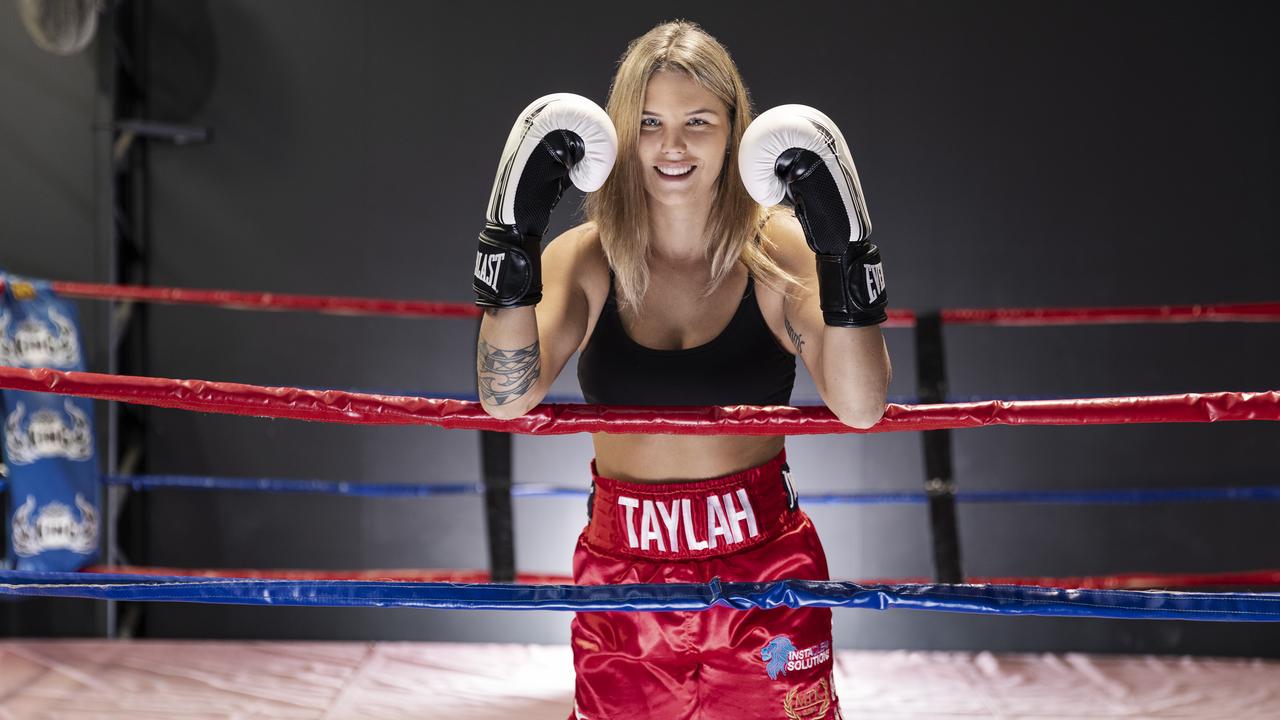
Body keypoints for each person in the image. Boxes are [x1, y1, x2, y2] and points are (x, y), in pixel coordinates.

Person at [473, 20, 890, 720]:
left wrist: (844, 254)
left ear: (735, 133)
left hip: (761, 566)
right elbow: (503, 398)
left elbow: (861, 405)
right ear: (616, 135)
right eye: (648, 123)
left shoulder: (777, 252)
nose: (672, 146)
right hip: (621, 570)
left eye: (698, 121)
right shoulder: (584, 259)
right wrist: (511, 241)